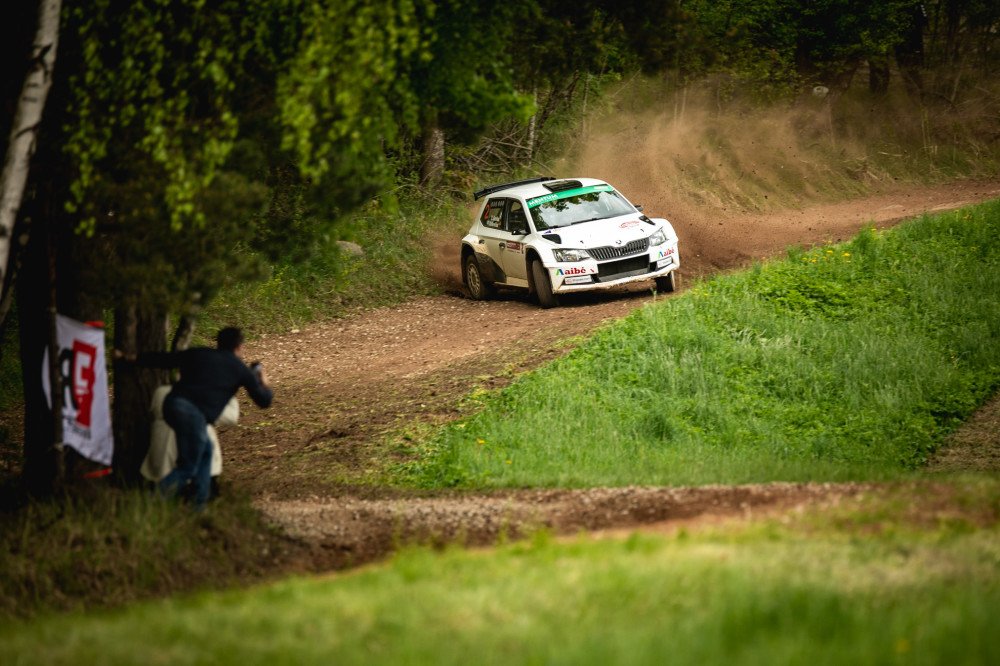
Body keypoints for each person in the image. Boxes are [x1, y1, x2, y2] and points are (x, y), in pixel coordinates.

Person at [121, 327, 272, 510]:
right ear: (240, 346)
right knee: (188, 466)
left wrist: (132, 357)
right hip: (192, 413)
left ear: (218, 342)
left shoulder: (200, 353)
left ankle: (199, 505)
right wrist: (264, 384)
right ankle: (148, 503)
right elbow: (264, 401)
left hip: (172, 403)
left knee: (206, 452)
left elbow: (165, 360)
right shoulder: (240, 369)